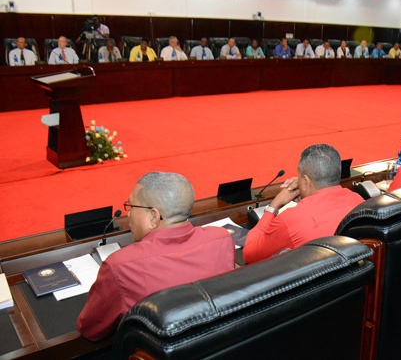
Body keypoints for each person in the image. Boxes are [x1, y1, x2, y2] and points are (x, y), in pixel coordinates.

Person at [76, 172, 235, 341]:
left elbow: (90, 329)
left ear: (153, 216)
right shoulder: (221, 238)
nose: (128, 214)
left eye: (131, 207)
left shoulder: (120, 266)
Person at [243, 144, 363, 264]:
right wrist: (306, 193)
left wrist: (273, 206)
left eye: (299, 179)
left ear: (306, 181)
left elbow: (250, 254)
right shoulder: (359, 201)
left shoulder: (290, 220)